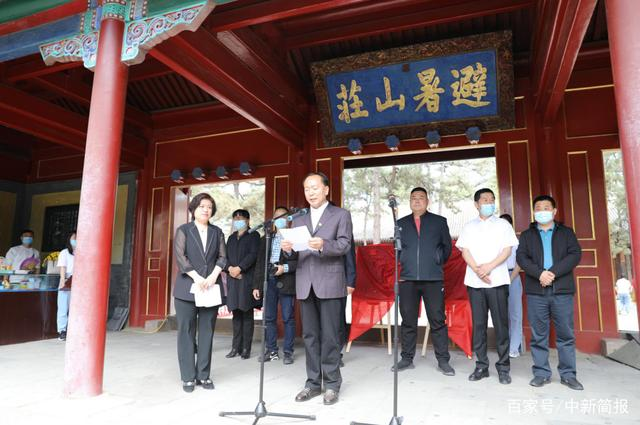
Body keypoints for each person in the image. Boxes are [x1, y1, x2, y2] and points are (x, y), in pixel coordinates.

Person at [281, 172, 353, 406]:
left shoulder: (340, 214)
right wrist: (288, 250)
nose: (310, 192)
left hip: (330, 282)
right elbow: (295, 254)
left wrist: (324, 245)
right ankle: (312, 383)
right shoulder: (299, 218)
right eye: (307, 189)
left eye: (314, 187)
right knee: (310, 336)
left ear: (326, 190)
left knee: (330, 336)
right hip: (305, 282)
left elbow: (344, 245)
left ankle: (331, 384)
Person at [516, 195, 583, 390]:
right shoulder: (527, 235)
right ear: (534, 212)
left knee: (565, 334)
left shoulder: (566, 233)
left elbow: (575, 255)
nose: (542, 211)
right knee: (539, 335)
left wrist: (552, 273)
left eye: (546, 207)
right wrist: (540, 274)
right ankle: (541, 373)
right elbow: (522, 257)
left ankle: (568, 375)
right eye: (538, 208)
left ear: (554, 211)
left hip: (562, 290)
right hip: (536, 291)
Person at [457, 188, 518, 385]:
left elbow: (507, 251)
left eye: (492, 200)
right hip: (475, 283)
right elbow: (465, 251)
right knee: (479, 325)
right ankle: (481, 366)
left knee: (501, 325)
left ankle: (503, 367)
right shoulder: (469, 227)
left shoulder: (503, 225)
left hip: (497, 281)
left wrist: (488, 267)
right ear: (476, 204)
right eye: (485, 200)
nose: (489, 203)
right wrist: (478, 270)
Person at [393, 187, 454, 376]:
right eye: (413, 198)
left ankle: (443, 361)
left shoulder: (439, 222)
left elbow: (447, 248)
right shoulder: (400, 224)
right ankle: (406, 358)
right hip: (408, 279)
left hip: (433, 279)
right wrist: (406, 261)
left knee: (437, 320)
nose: (417, 200)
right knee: (408, 320)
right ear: (409, 202)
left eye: (421, 197)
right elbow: (397, 250)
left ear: (427, 201)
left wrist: (436, 261)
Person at [173, 193, 226, 393]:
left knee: (206, 332)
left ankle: (203, 375)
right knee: (186, 332)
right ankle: (188, 377)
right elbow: (181, 257)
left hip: (211, 287)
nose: (206, 210)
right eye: (202, 206)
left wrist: (213, 277)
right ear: (194, 208)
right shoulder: (184, 230)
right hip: (187, 288)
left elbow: (222, 257)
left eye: (209, 207)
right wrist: (197, 277)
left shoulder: (217, 232)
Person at [253, 206, 297, 365]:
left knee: (288, 318)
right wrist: (257, 285)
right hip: (269, 281)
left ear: (288, 219)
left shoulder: (294, 238)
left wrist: (284, 268)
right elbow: (260, 263)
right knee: (269, 317)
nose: (279, 219)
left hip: (287, 281)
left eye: (283, 216)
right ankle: (271, 350)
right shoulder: (266, 238)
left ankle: (288, 352)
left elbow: (299, 262)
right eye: (276, 216)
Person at [225, 209, 260, 360]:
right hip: (233, 280)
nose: (238, 221)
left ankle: (246, 348)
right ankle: (235, 347)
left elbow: (253, 255)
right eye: (235, 218)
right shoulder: (231, 238)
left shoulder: (254, 235)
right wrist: (230, 269)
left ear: (247, 220)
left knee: (246, 314)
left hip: (246, 279)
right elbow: (225, 256)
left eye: (241, 218)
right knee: (236, 315)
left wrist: (240, 268)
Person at [500, 213, 524, 358]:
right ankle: (503, 345)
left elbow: (520, 263)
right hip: (498, 278)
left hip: (512, 276)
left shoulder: (516, 242)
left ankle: (514, 347)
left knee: (515, 314)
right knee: (500, 313)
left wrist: (510, 278)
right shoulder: (495, 241)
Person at [338, 239, 356, 367]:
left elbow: (350, 256)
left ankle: (336, 354)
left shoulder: (344, 228)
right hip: (313, 281)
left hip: (339, 280)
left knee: (337, 319)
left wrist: (351, 281)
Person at [56, 231, 76, 341]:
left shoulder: (81, 251)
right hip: (67, 279)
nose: (76, 240)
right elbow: (62, 267)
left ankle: (72, 329)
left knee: (75, 308)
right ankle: (62, 331)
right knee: (63, 307)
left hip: (78, 280)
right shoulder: (64, 252)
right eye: (74, 238)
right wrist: (63, 280)